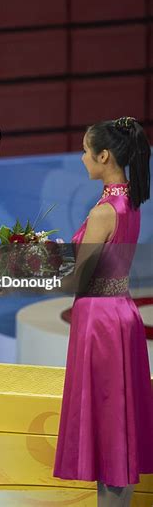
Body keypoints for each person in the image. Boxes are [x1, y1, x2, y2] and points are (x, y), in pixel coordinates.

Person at [53, 117, 153, 506]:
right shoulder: (128, 199)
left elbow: (77, 280)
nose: (81, 158)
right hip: (120, 312)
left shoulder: (103, 213)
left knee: (109, 429)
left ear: (104, 155)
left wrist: (32, 267)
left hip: (100, 323)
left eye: (84, 150)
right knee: (117, 425)